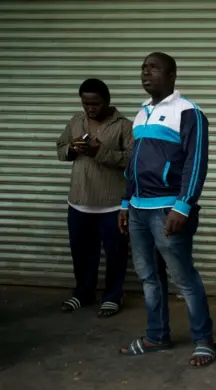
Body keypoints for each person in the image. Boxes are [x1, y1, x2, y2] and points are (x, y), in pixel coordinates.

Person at [118, 52, 216, 367]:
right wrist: (125, 202)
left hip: (167, 210)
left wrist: (183, 205)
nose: (146, 73)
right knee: (149, 277)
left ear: (172, 75)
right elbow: (133, 163)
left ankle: (204, 340)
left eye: (154, 68)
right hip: (137, 210)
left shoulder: (188, 112)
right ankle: (156, 336)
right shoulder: (141, 112)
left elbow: (196, 162)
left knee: (184, 278)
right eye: (143, 68)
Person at [56, 78, 133, 318]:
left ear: (107, 101)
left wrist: (100, 152)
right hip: (79, 201)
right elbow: (60, 149)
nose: (90, 108)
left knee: (116, 253)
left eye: (95, 103)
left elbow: (132, 160)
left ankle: (113, 295)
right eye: (86, 103)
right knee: (81, 252)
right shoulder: (75, 122)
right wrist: (72, 149)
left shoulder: (124, 126)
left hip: (111, 204)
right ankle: (83, 292)